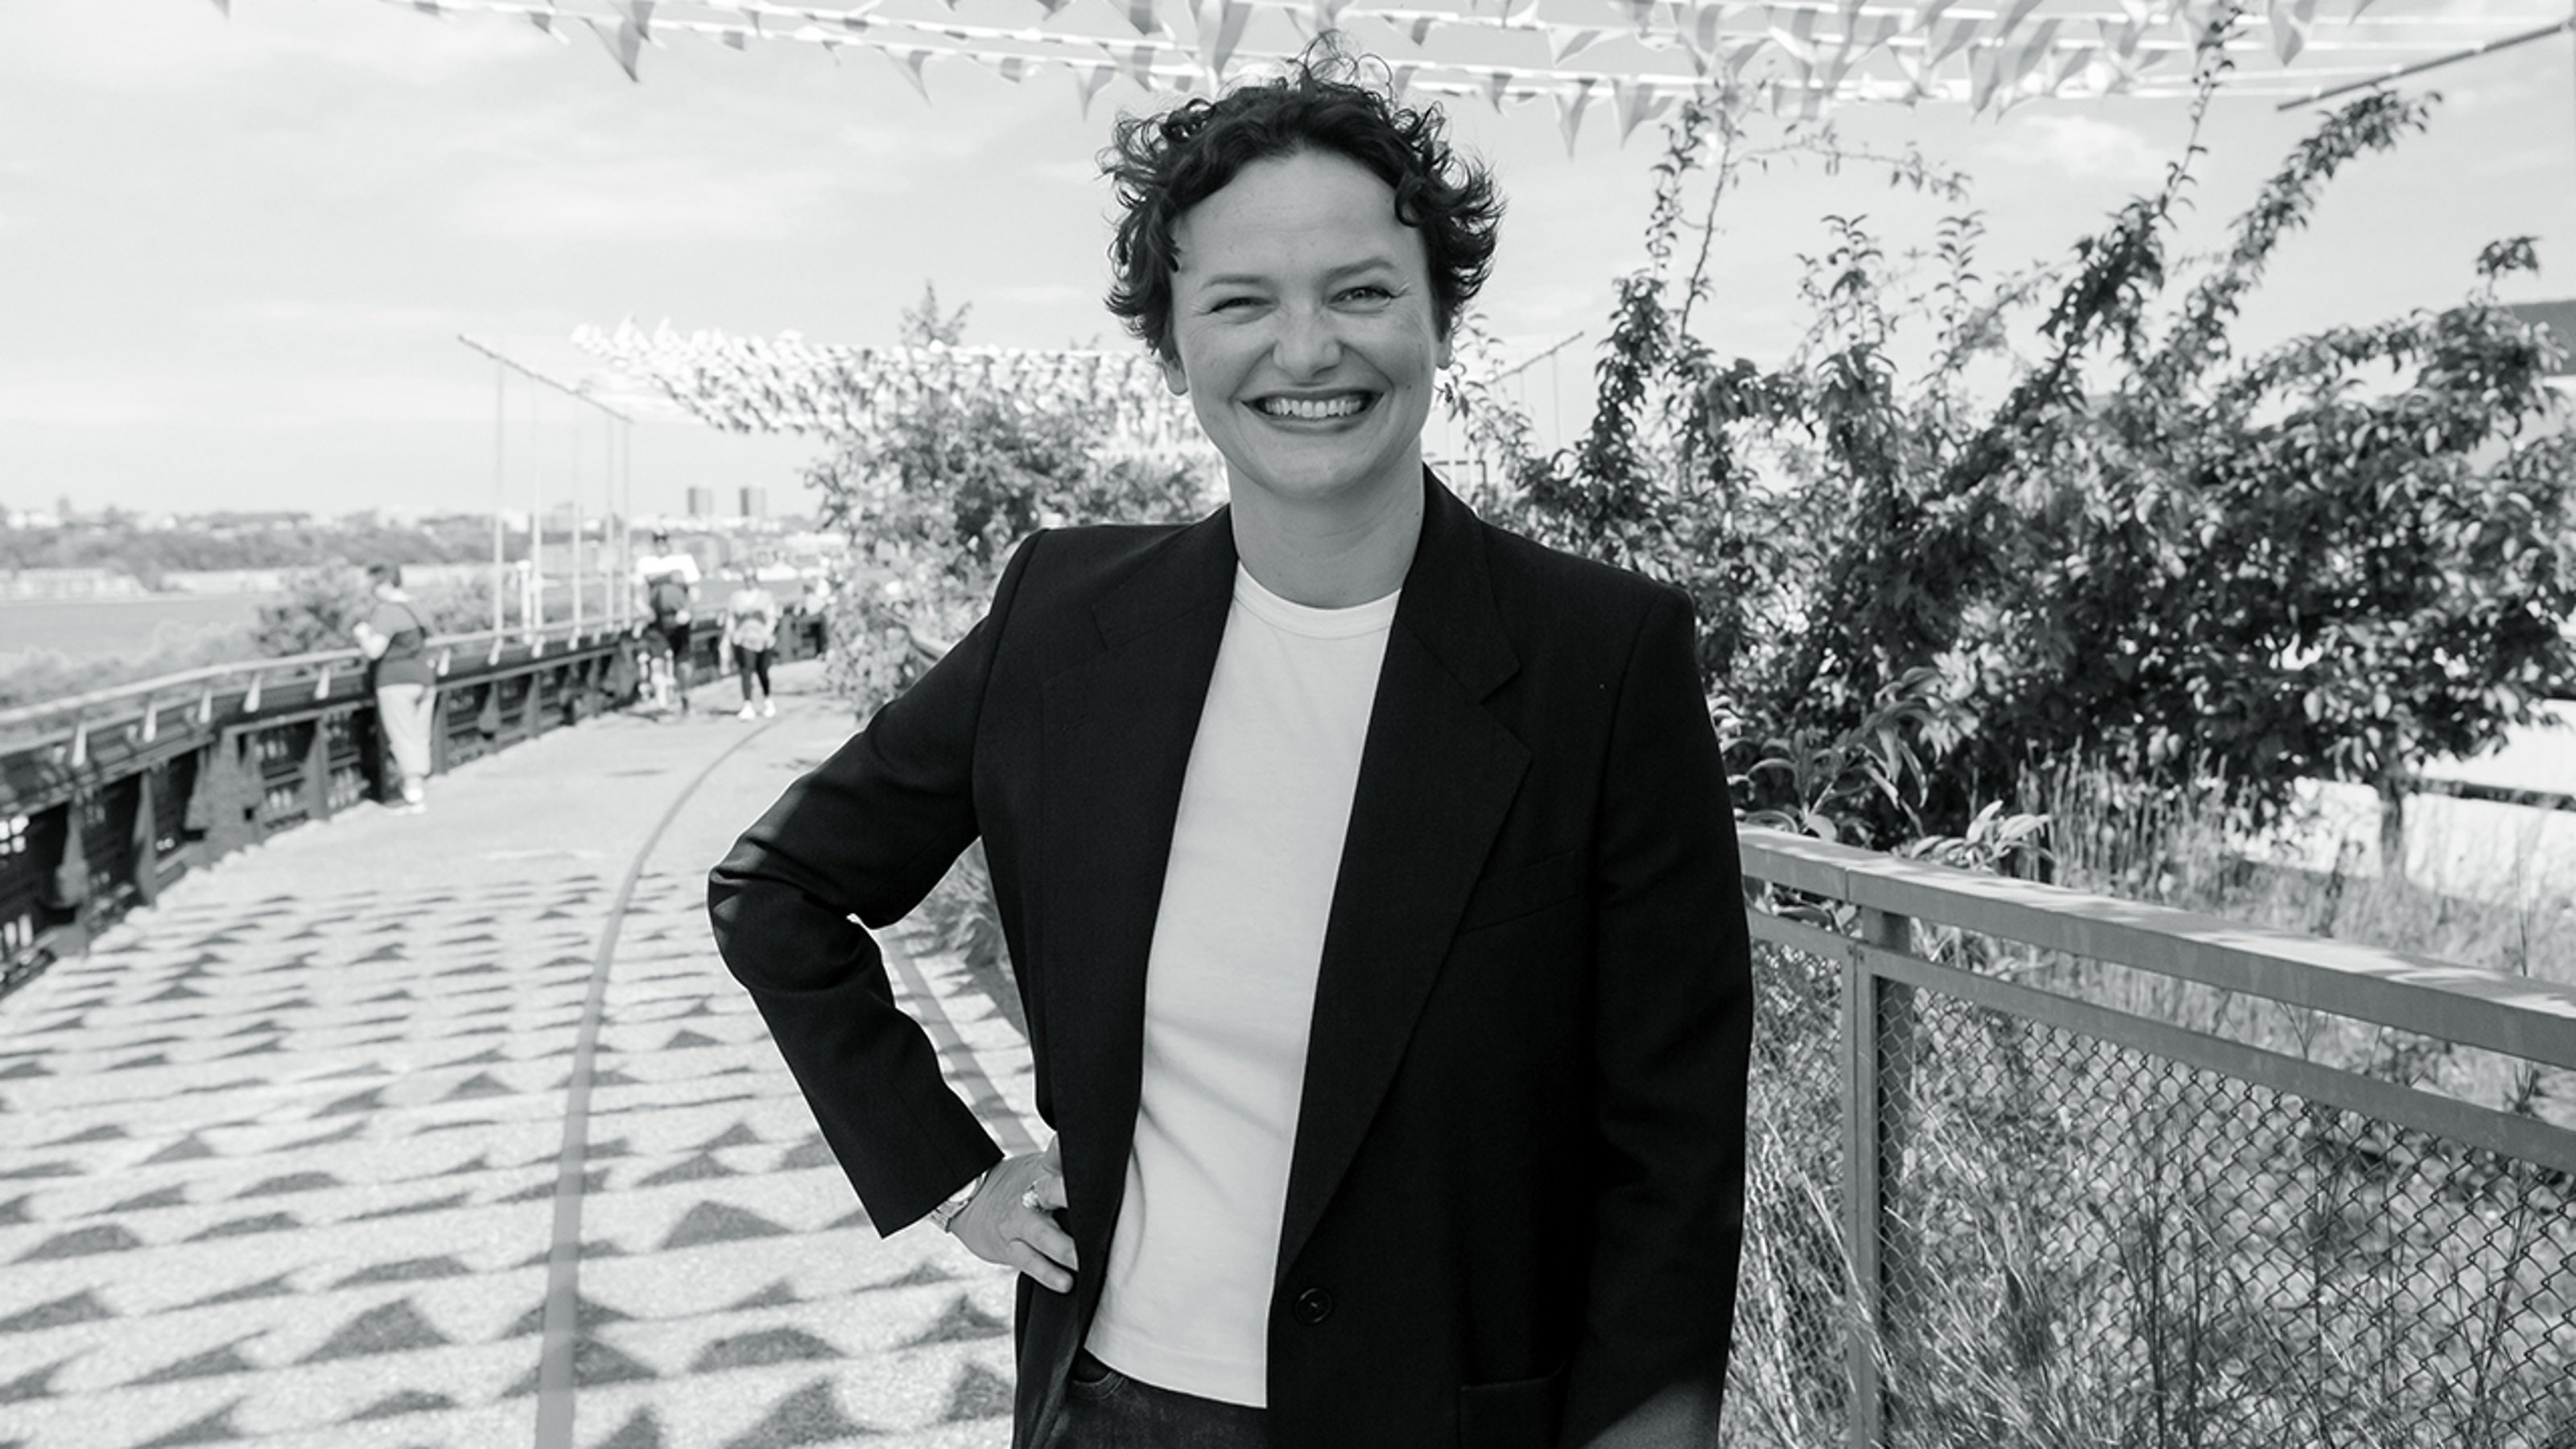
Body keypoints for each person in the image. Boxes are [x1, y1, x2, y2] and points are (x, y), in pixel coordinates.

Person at [708, 45, 1750, 1449]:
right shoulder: (1064, 620)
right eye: (1241, 302)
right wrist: (953, 1176)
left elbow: (1672, 1148)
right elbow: (777, 886)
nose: (1307, 350)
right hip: (1121, 1405)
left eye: (1363, 292)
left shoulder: (1601, 658)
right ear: (1174, 340)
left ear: (1442, 317)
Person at [352, 562, 436, 815]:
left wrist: (362, 635)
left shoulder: (387, 612)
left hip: (395, 680)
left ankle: (413, 795)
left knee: (402, 738)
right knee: (420, 736)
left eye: (374, 587)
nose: (372, 593)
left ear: (386, 585)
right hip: (424, 677)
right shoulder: (418, 607)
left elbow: (375, 649)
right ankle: (417, 787)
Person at [634, 530, 700, 714]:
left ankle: (685, 695)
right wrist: (644, 611)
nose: (661, 544)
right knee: (657, 660)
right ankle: (661, 703)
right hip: (657, 620)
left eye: (664, 540)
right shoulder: (646, 564)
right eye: (657, 540)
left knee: (682, 661)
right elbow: (638, 594)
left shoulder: (683, 562)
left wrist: (687, 611)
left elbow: (694, 591)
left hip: (679, 619)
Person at [724, 565, 780, 720]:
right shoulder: (736, 597)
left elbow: (771, 617)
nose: (749, 582)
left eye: (752, 579)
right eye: (747, 579)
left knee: (763, 670)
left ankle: (767, 699)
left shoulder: (766, 596)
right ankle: (747, 703)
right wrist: (732, 634)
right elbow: (730, 617)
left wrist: (767, 633)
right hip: (743, 638)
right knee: (746, 670)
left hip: (763, 638)